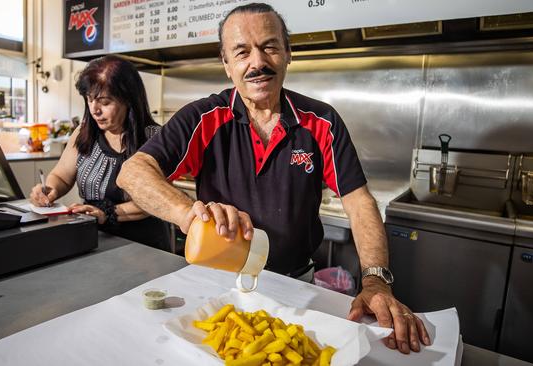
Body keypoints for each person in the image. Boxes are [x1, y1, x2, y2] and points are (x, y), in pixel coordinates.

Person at [117, 3, 430, 354]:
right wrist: (189, 214)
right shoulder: (205, 116)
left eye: (269, 46)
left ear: (287, 54)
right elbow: (133, 172)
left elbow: (358, 202)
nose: (257, 63)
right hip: (213, 285)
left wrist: (375, 280)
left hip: (295, 284)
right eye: (242, 52)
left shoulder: (321, 121)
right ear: (226, 64)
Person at [30, 55, 169, 250]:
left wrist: (107, 212)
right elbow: (62, 175)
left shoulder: (155, 138)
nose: (95, 110)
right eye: (89, 99)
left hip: (143, 245)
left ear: (127, 100)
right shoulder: (85, 132)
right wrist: (50, 189)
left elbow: (155, 200)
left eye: (104, 102)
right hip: (93, 239)